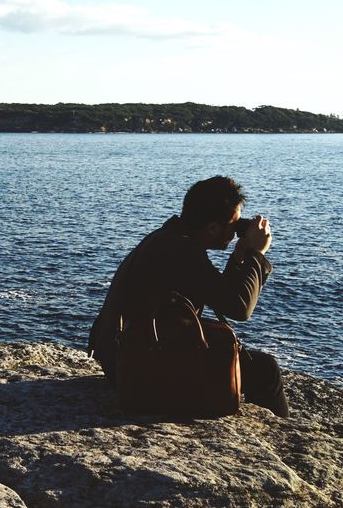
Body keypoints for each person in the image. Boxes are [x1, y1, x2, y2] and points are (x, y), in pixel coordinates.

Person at [88, 175, 289, 417]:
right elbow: (239, 307)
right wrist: (257, 254)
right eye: (233, 225)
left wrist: (239, 259)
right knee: (265, 369)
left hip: (127, 356)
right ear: (213, 227)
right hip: (138, 365)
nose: (235, 232)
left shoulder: (170, 238)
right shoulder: (180, 251)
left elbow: (220, 293)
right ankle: (284, 437)